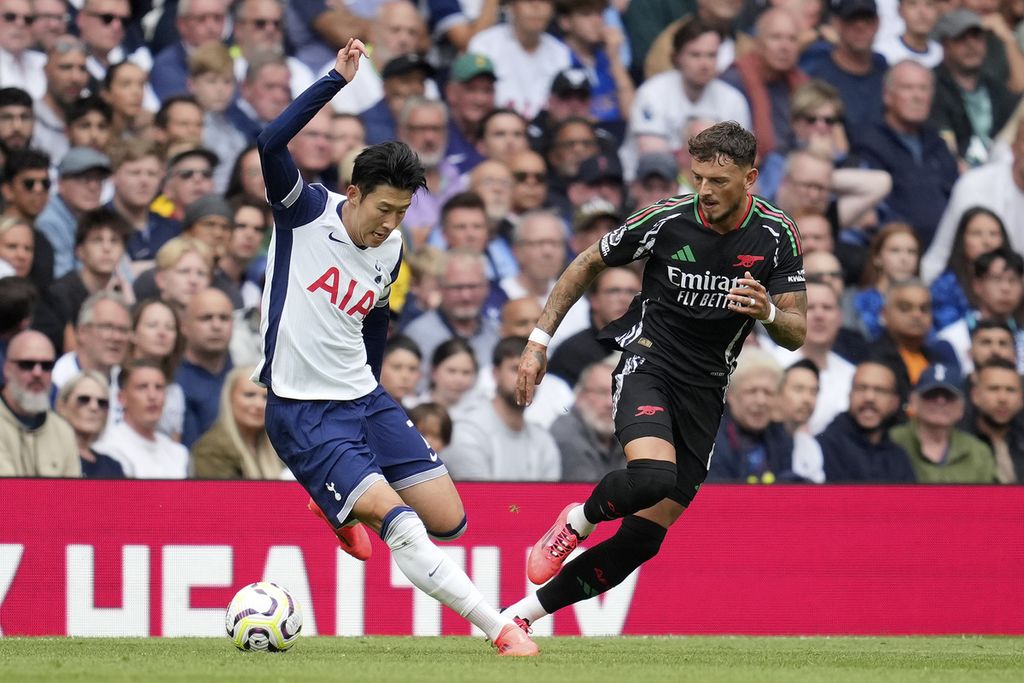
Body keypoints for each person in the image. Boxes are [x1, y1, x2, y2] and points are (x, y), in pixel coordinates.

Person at [253, 39, 538, 656]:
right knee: (402, 526)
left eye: (403, 212)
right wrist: (335, 80)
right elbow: (270, 143)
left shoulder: (391, 247)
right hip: (302, 410)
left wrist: (374, 391)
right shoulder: (302, 213)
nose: (389, 223)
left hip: (364, 401)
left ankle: (342, 502)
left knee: (449, 519)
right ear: (354, 194)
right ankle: (501, 630)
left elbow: (375, 323)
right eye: (383, 208)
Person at [504, 121, 806, 628]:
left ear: (750, 178)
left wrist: (770, 314)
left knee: (641, 541)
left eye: (719, 181)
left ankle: (517, 617)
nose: (705, 192)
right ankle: (575, 521)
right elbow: (585, 264)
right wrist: (538, 342)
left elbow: (797, 332)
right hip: (650, 363)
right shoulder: (667, 219)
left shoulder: (776, 234)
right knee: (651, 476)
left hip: (707, 389)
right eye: (698, 178)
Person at [443, 336, 561, 481]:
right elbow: (478, 498)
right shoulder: (467, 430)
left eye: (534, 372)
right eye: (515, 369)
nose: (526, 378)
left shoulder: (543, 440)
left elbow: (550, 499)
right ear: (495, 373)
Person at [708, 347, 823, 484]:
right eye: (752, 391)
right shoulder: (712, 437)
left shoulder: (781, 437)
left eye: (768, 393)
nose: (761, 401)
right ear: (731, 396)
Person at [889, 362, 997, 482]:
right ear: (913, 401)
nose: (940, 401)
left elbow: (990, 499)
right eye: (931, 394)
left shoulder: (978, 452)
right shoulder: (893, 441)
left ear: (962, 407)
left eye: (949, 396)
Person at [817, 361, 916, 482]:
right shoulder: (823, 447)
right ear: (850, 395)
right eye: (861, 388)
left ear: (895, 402)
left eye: (880, 390)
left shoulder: (899, 459)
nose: (869, 397)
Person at [0, 329, 79, 476]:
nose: (37, 373)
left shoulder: (63, 431)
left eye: (47, 366)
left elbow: (73, 496)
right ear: (7, 369)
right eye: (27, 364)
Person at [93, 359, 189, 478]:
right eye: (142, 387)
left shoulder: (178, 453)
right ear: (121, 398)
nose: (152, 396)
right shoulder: (107, 448)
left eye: (158, 388)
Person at [191, 365, 284, 479]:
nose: (259, 404)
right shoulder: (211, 450)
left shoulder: (280, 446)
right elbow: (224, 496)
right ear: (229, 398)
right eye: (249, 395)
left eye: (266, 397)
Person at [930, 207, 1009, 330]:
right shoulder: (945, 286)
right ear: (962, 240)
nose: (987, 241)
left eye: (993, 234)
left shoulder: (1019, 282)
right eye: (976, 234)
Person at [550, 356, 624, 482]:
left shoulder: (621, 435)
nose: (610, 403)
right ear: (580, 395)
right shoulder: (566, 433)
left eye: (616, 393)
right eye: (601, 392)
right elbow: (585, 491)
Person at [964, 356, 1024, 482]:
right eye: (993, 389)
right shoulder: (958, 443)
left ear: (1021, 399)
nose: (1002, 398)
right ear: (975, 396)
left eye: (1010, 390)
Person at [56, 370, 124, 478]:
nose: (94, 407)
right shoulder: (46, 456)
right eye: (84, 399)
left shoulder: (113, 467)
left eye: (102, 403)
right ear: (62, 406)